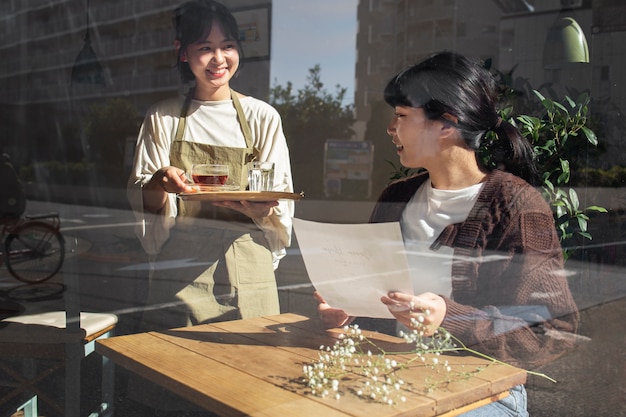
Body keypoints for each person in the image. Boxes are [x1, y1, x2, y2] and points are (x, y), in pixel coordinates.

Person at [315, 52, 579, 417]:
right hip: (394, 377)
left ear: (446, 124)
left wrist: (449, 318)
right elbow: (380, 305)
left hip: (484, 393)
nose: (391, 128)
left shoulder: (517, 205)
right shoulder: (397, 197)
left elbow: (552, 329)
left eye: (402, 116)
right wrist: (350, 311)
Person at [126, 0, 293, 412]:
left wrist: (261, 210)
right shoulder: (163, 118)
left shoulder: (261, 117)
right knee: (173, 388)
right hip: (180, 268)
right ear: (183, 52)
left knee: (251, 385)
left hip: (249, 266)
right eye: (205, 47)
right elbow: (141, 199)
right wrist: (160, 184)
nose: (218, 59)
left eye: (228, 45)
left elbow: (279, 195)